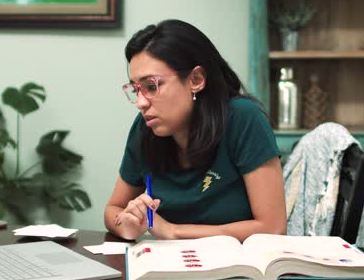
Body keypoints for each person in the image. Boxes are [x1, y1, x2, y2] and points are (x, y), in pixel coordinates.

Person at [104, 19, 286, 242]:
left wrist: (173, 231)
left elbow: (273, 227)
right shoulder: (145, 128)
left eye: (151, 86)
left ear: (196, 79)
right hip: (170, 267)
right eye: (136, 89)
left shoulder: (243, 118)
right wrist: (128, 225)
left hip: (240, 269)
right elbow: (113, 208)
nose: (141, 103)